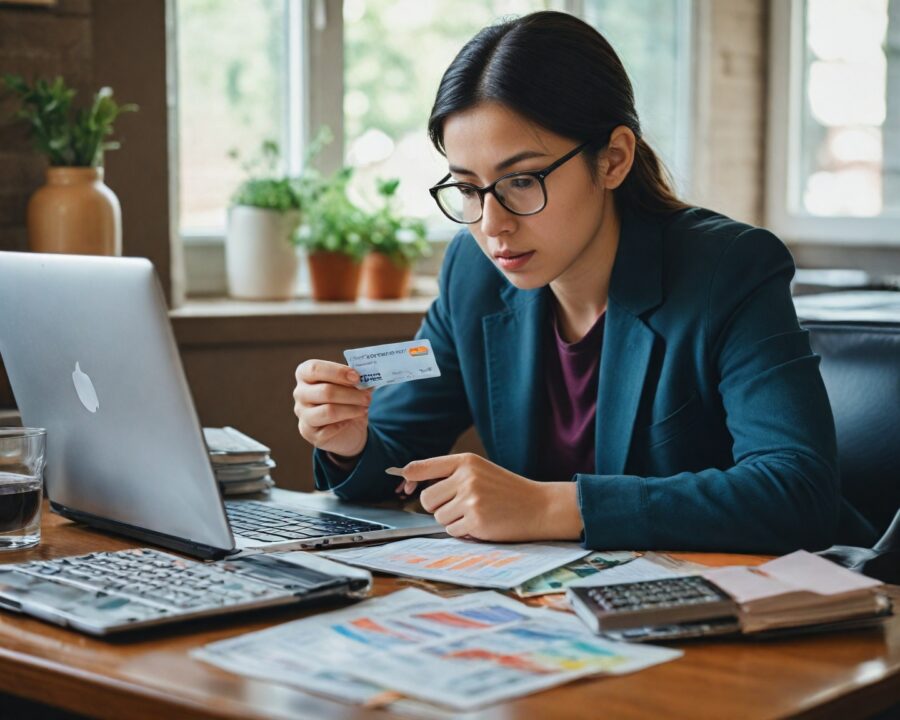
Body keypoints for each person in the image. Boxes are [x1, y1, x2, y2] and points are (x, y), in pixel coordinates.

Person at [293, 11, 875, 553]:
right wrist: (349, 442)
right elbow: (397, 450)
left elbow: (797, 492)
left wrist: (554, 506)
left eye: (521, 181)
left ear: (614, 159)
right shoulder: (473, 274)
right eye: (468, 189)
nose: (491, 225)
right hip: (554, 612)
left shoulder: (730, 269)